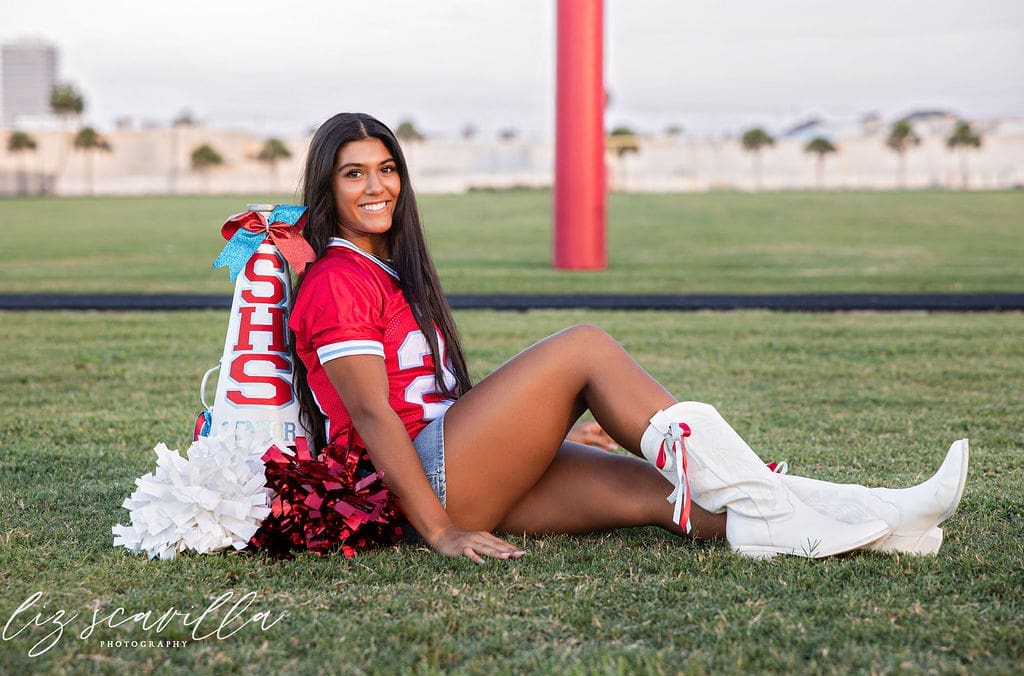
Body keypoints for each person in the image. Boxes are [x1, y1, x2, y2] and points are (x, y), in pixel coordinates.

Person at [288, 112, 968, 564]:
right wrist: (439, 529)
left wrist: (531, 441)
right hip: (425, 490)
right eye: (355, 173)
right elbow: (374, 414)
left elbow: (433, 397)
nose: (377, 185)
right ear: (327, 186)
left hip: (460, 466)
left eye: (387, 168)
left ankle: (885, 518)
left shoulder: (388, 270)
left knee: (668, 495)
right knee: (584, 346)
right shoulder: (336, 279)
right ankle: (805, 511)